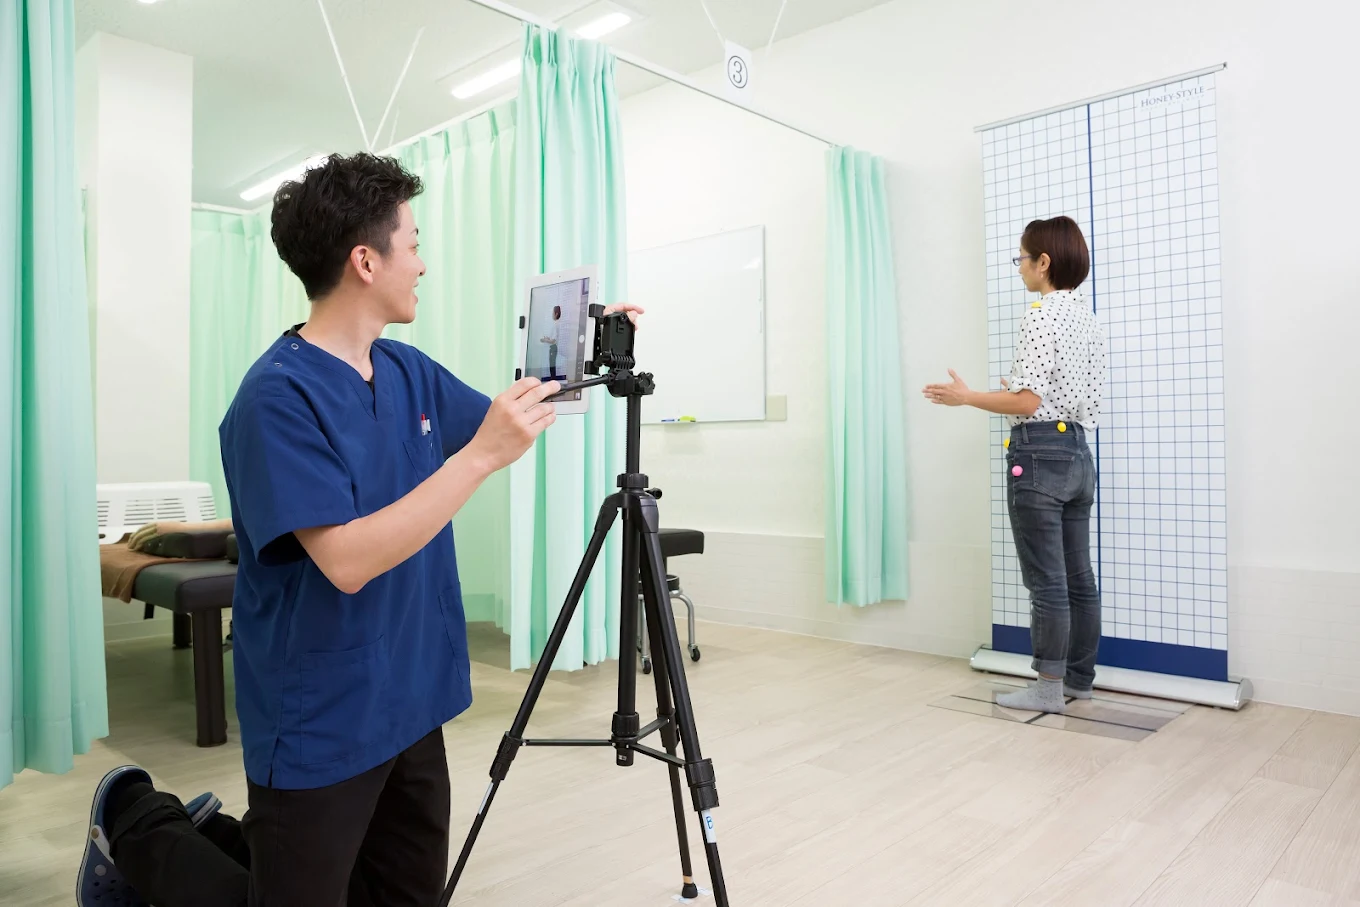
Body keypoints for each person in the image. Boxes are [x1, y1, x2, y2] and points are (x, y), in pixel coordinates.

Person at [78, 152, 642, 907]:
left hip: (410, 696)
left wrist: (588, 354)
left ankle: (226, 835)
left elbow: (510, 419)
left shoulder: (407, 371)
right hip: (322, 716)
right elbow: (344, 559)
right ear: (366, 260)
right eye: (413, 244)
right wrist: (477, 459)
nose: (423, 263)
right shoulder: (274, 399)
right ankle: (137, 818)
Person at [923, 215, 1106, 713]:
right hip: (1079, 456)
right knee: (1078, 578)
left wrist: (967, 398)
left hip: (1039, 454)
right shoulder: (1088, 320)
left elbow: (1027, 402)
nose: (1020, 268)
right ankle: (1078, 683)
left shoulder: (1041, 314)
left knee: (1046, 581)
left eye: (1022, 258)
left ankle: (1046, 691)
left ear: (1043, 262)